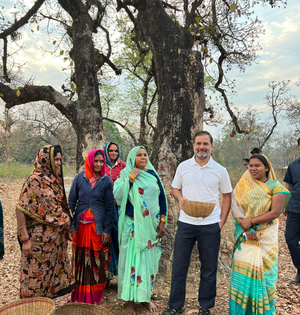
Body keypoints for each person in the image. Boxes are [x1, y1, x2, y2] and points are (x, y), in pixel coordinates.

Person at [163, 131, 232, 315]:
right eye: (198, 143)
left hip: (210, 225)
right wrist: (180, 199)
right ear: (193, 145)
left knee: (209, 268)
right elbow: (175, 188)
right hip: (186, 223)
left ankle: (205, 307)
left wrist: (221, 222)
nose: (202, 147)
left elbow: (227, 196)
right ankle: (176, 305)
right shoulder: (184, 167)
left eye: (205, 144)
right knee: (179, 266)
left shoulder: (220, 170)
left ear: (211, 146)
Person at [229, 154, 291, 315]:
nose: (253, 168)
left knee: (267, 277)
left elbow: (275, 212)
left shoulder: (275, 186)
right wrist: (248, 229)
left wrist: (252, 222)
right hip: (245, 237)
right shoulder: (242, 186)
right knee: (243, 275)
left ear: (267, 168)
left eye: (257, 166)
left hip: (266, 238)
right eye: (250, 166)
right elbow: (236, 210)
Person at [113, 146, 167, 314]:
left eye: (145, 155)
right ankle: (129, 301)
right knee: (131, 263)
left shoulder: (153, 175)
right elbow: (118, 196)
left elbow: (162, 199)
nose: (143, 157)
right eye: (139, 155)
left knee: (148, 264)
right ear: (131, 158)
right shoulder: (125, 174)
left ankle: (145, 298)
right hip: (133, 228)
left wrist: (162, 222)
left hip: (151, 228)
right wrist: (130, 178)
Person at [16, 145, 75, 298]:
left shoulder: (54, 181)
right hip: (38, 244)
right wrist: (25, 239)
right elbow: (21, 209)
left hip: (54, 245)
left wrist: (67, 226)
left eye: (60, 160)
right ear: (44, 159)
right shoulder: (34, 181)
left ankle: (44, 309)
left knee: (50, 283)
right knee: (34, 280)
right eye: (55, 159)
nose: (58, 163)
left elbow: (61, 208)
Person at [69, 150, 115, 304]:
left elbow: (110, 208)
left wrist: (107, 230)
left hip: (97, 228)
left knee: (97, 262)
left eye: (101, 161)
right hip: (80, 228)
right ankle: (77, 295)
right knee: (80, 262)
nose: (99, 164)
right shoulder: (79, 178)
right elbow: (71, 203)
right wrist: (70, 225)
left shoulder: (106, 181)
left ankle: (95, 296)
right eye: (96, 161)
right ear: (89, 161)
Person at [104, 142, 126, 280]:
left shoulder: (122, 166)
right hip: (106, 207)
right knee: (108, 238)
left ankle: (120, 267)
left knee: (119, 236)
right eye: (111, 151)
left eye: (115, 151)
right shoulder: (102, 166)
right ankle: (108, 271)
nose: (113, 153)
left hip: (119, 207)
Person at [283, 138, 300, 284]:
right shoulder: (293, 165)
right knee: (290, 239)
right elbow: (288, 185)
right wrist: (284, 204)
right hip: (294, 207)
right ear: (298, 147)